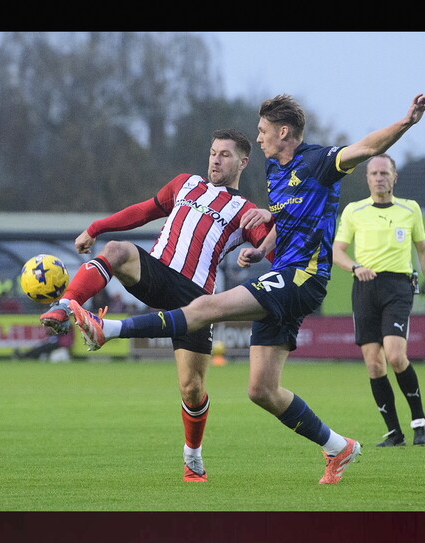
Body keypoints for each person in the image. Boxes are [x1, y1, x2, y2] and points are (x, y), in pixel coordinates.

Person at [64, 93, 425, 484]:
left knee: (207, 307)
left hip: (302, 277)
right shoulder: (275, 169)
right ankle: (338, 447)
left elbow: (367, 147)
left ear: (283, 132)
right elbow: (289, 222)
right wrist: (261, 248)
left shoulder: (318, 161)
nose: (258, 138)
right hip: (286, 275)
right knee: (262, 390)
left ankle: (108, 330)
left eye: (262, 131)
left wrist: (406, 122)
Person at [38, 129, 274, 482]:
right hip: (157, 272)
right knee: (117, 250)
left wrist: (268, 233)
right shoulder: (185, 184)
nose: (215, 160)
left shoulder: (246, 211)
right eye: (213, 152)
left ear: (243, 162)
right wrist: (96, 228)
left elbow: (275, 248)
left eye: (225, 155)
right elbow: (143, 211)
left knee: (192, 389)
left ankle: (192, 456)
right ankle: (66, 306)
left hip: (196, 299)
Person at [331, 153, 425, 447]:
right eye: (374, 173)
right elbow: (337, 252)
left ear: (394, 177)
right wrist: (355, 267)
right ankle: (394, 433)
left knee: (394, 355)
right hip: (365, 287)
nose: (379, 178)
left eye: (384, 173)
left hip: (398, 287)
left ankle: (419, 422)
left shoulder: (410, 209)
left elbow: (424, 251)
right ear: (367, 178)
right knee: (374, 363)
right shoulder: (354, 210)